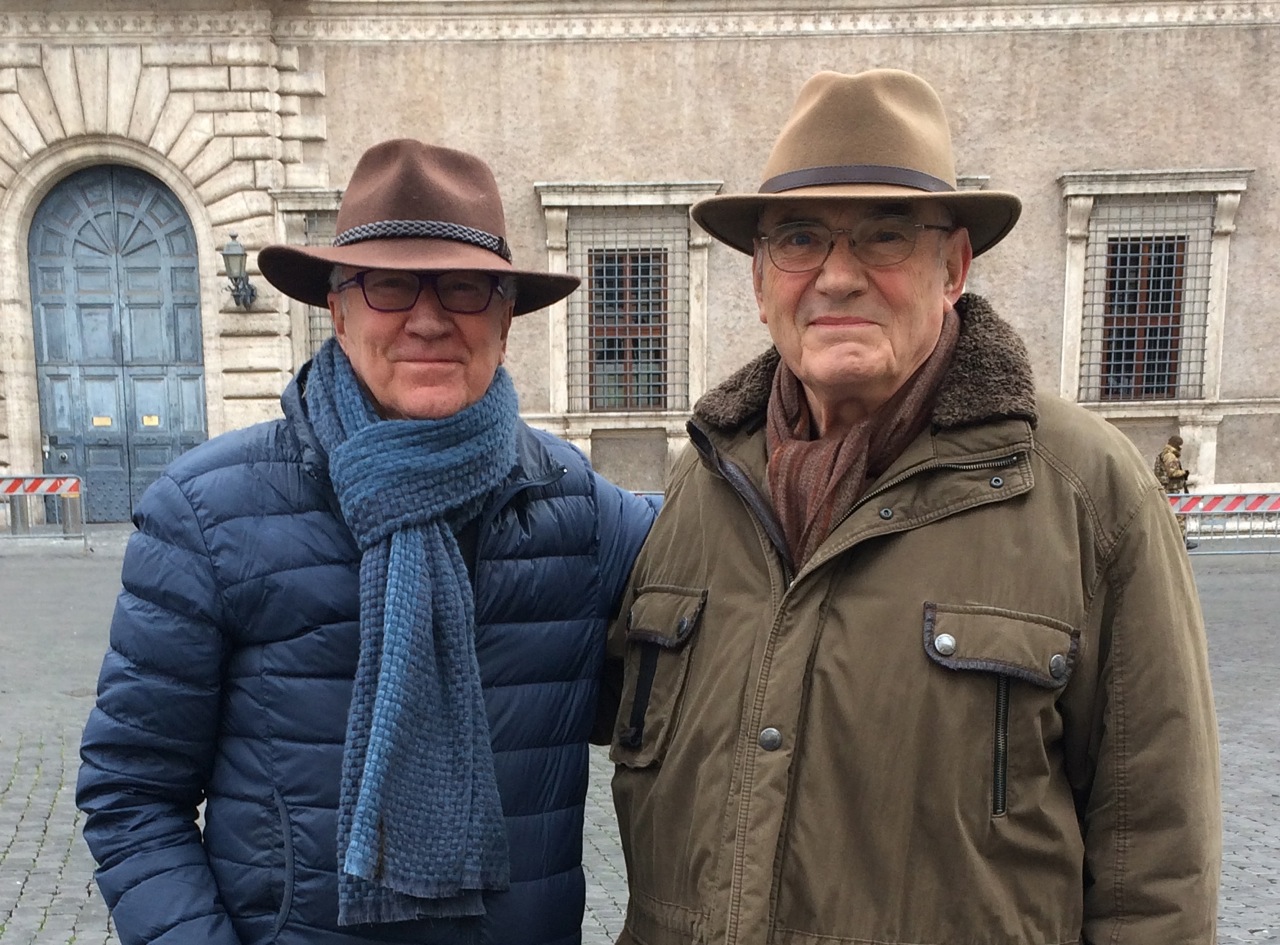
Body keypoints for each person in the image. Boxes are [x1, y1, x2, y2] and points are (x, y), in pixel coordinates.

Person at [601, 69, 1220, 945]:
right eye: (800, 239)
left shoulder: (1086, 490)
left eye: (886, 237)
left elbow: (1154, 861)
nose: (838, 276)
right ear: (759, 279)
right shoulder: (701, 483)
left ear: (953, 266)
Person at [76, 139, 658, 945]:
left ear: (505, 319)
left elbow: (743, 574)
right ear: (338, 310)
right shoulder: (207, 514)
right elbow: (131, 791)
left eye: (462, 286)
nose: (427, 319)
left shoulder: (578, 509)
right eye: (388, 284)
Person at [1156, 433, 1197, 549]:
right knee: (1179, 516)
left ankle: (1175, 540)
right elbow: (1172, 473)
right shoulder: (1170, 456)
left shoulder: (1165, 454)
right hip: (1171, 490)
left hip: (1168, 490)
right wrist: (1184, 473)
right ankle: (1182, 541)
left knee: (1171, 516)